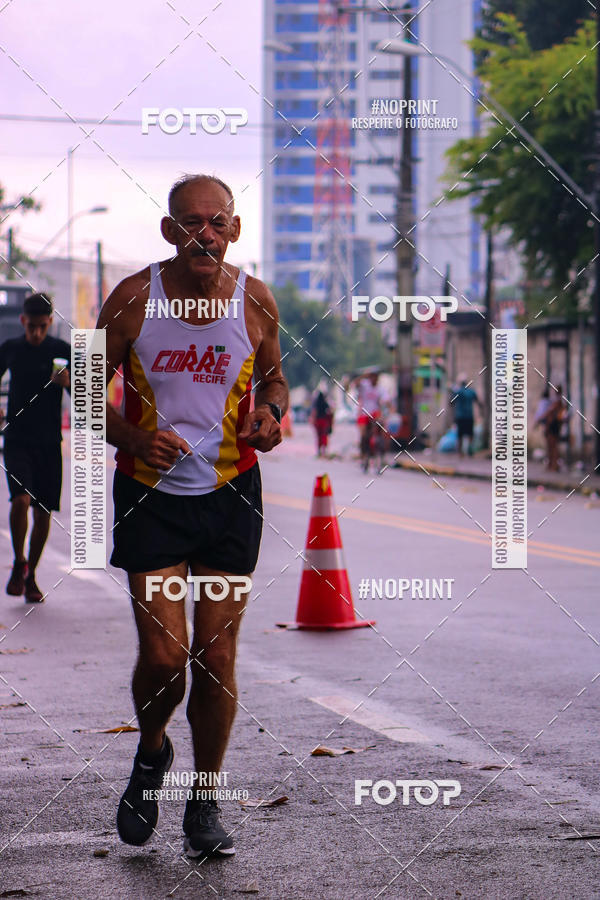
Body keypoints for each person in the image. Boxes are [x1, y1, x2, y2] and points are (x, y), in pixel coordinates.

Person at [98, 174, 288, 859]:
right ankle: (152, 753)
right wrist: (132, 436)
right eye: (188, 223)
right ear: (168, 231)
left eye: (215, 222)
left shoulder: (256, 299)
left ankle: (205, 800)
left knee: (215, 656)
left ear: (234, 230)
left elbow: (274, 376)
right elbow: (89, 392)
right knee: (163, 656)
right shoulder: (131, 300)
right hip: (150, 494)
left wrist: (271, 413)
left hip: (231, 494)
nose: (202, 234)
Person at [0, 293, 70, 603]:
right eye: (32, 327)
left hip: (49, 442)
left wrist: (68, 382)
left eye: (43, 327)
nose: (37, 333)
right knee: (20, 500)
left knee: (44, 513)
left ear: (51, 323)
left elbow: (90, 394)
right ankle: (19, 562)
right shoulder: (11, 349)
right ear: (23, 321)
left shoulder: (62, 352)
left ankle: (31, 575)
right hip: (16, 439)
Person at [451, 375, 481, 457]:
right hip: (469, 416)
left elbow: (451, 402)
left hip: (460, 417)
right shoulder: (471, 392)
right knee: (470, 434)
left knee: (460, 435)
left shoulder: (458, 391)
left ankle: (461, 453)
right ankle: (470, 450)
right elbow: (478, 402)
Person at [544, 384, 566, 471]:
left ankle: (554, 465)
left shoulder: (557, 402)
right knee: (552, 445)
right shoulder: (557, 401)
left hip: (554, 425)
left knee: (553, 445)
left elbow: (551, 411)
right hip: (554, 425)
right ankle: (551, 464)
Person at [310, 389, 332, 457]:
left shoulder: (316, 403)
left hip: (317, 421)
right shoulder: (325, 403)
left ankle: (319, 451)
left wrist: (312, 420)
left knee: (318, 436)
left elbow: (314, 412)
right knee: (324, 436)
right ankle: (324, 451)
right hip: (324, 421)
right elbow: (330, 412)